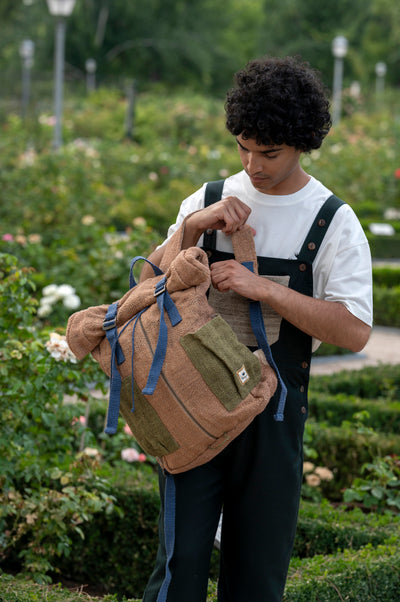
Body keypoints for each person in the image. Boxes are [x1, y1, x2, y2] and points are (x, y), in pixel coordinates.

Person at [141, 56, 373, 602]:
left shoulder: (332, 219)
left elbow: (356, 332)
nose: (253, 164)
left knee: (257, 575)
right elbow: (148, 284)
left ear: (303, 142)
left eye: (269, 152)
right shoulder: (207, 198)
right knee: (179, 566)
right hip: (191, 400)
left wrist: (268, 289)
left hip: (275, 413)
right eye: (243, 147)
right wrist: (191, 229)